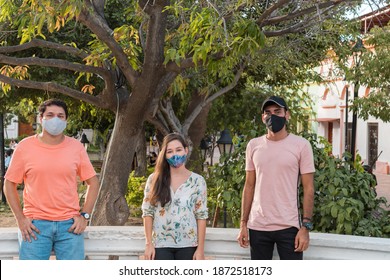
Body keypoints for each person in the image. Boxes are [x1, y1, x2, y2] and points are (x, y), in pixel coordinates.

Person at [4, 98, 100, 260]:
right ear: (41, 119)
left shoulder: (76, 147)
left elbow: (93, 182)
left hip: (70, 226)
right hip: (35, 226)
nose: (55, 119)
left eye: (60, 116)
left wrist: (85, 216)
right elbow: (9, 184)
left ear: (66, 120)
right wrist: (20, 219)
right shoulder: (25, 147)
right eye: (50, 115)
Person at [237, 95, 315, 260]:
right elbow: (249, 185)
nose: (272, 116)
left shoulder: (301, 145)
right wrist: (243, 224)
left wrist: (305, 227)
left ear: (287, 115)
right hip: (258, 226)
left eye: (277, 111)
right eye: (268, 112)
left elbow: (309, 188)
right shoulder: (253, 145)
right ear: (262, 117)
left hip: (289, 226)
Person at [142, 133, 208, 260]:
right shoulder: (154, 180)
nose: (175, 155)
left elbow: (201, 215)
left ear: (186, 150)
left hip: (189, 245)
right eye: (170, 151)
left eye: (178, 150)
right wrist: (148, 244)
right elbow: (147, 212)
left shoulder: (198, 181)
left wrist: (200, 249)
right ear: (165, 155)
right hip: (160, 246)